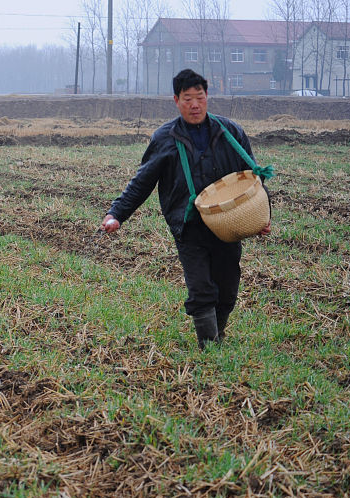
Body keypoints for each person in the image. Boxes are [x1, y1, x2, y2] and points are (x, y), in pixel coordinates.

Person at [100, 69, 271, 349]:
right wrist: (116, 214)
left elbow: (254, 178)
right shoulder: (165, 138)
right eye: (188, 98)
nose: (195, 104)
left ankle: (218, 332)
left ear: (207, 97)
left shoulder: (231, 132)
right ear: (176, 100)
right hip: (189, 224)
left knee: (227, 289)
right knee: (201, 288)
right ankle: (209, 345)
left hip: (229, 222)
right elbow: (143, 181)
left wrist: (264, 216)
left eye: (200, 97)